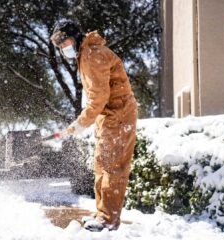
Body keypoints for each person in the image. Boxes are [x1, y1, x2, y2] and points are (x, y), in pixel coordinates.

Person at [50, 20, 138, 232]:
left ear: (76, 37)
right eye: (59, 46)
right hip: (109, 118)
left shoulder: (92, 55)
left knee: (111, 167)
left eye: (66, 42)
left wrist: (79, 124)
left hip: (117, 117)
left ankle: (107, 219)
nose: (64, 48)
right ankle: (102, 214)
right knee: (102, 165)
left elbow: (98, 98)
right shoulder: (86, 55)